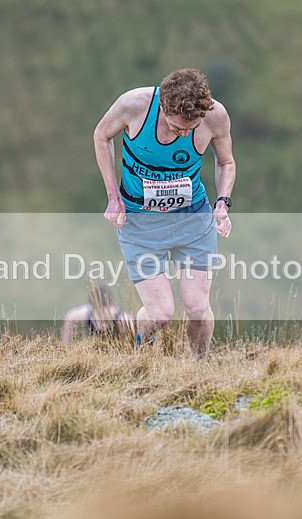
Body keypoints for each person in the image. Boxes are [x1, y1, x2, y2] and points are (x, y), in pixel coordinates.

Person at [93, 68, 236, 357]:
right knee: (160, 314)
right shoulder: (134, 105)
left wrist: (223, 202)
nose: (183, 134)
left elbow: (226, 163)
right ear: (163, 107)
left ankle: (199, 369)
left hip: (193, 219)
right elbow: (101, 135)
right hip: (141, 223)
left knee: (197, 308)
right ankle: (140, 357)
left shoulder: (216, 115)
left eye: (190, 128)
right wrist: (113, 197)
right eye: (175, 127)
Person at [61, 284, 134, 344]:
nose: (102, 324)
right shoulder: (87, 312)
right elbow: (70, 316)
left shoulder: (124, 320)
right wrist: (65, 346)